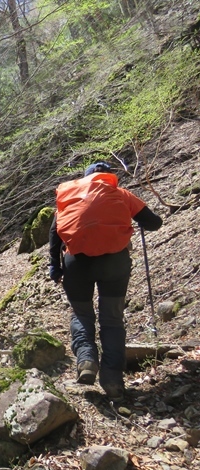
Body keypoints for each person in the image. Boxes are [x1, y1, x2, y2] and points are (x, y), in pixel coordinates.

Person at [48, 162, 162, 400]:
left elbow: (54, 233)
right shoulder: (120, 194)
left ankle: (87, 360)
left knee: (81, 314)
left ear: (86, 178)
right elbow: (154, 223)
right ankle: (112, 379)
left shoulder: (70, 197)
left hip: (76, 263)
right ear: (108, 177)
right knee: (111, 319)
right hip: (114, 262)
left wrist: (55, 267)